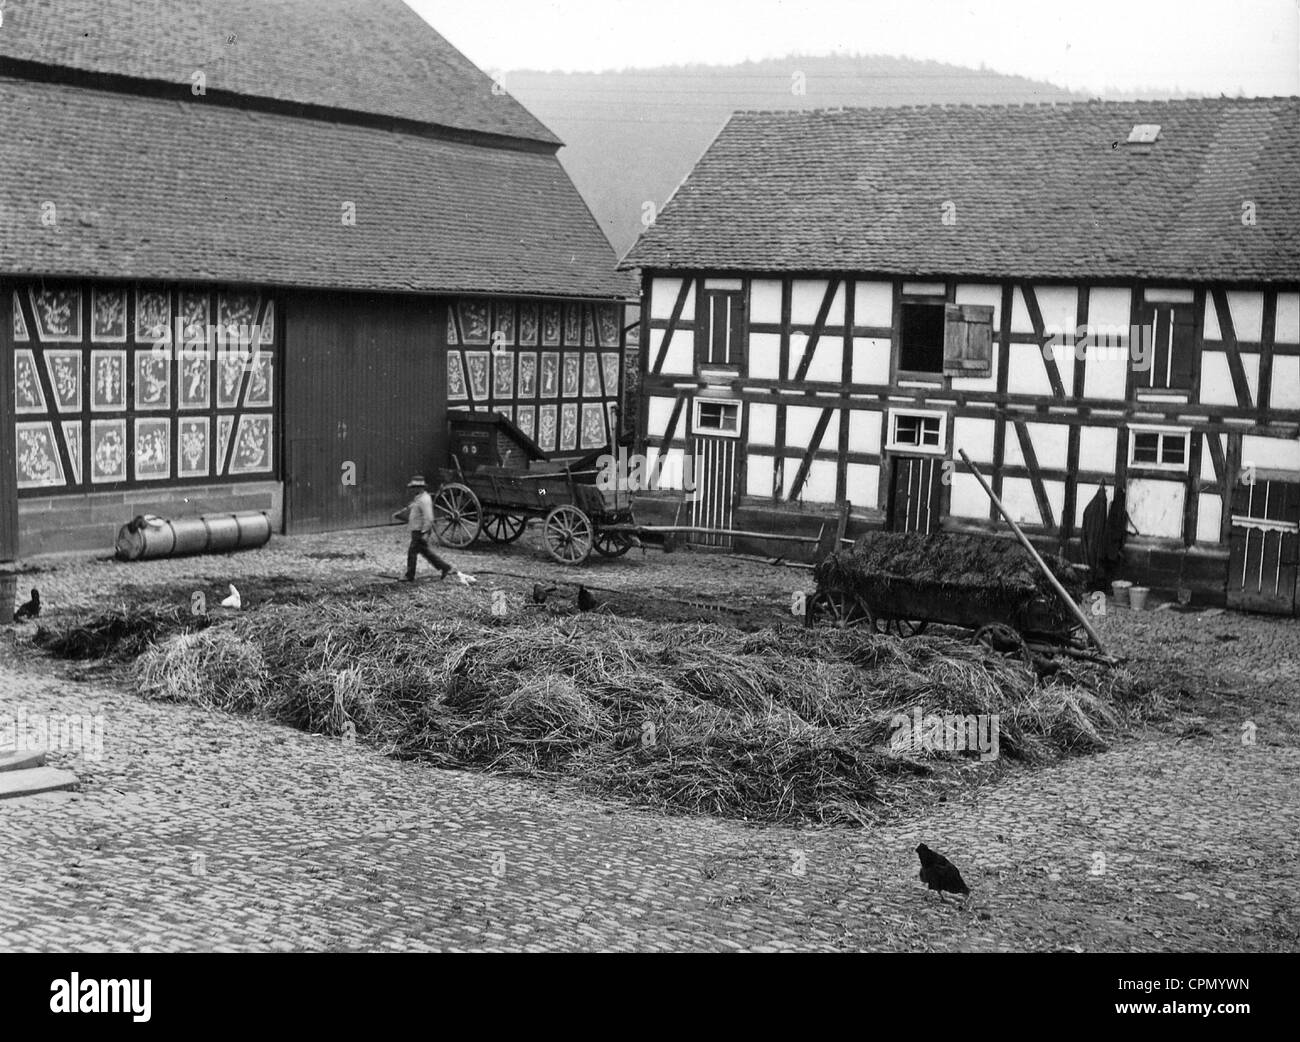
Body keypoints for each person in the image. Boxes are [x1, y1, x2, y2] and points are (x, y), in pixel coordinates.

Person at [393, 475, 453, 581]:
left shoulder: (424, 499)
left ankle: (409, 575)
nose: (412, 489)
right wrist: (400, 514)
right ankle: (444, 567)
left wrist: (425, 532)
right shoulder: (419, 498)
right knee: (425, 552)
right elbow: (412, 508)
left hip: (419, 531)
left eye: (414, 487)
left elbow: (429, 517)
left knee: (412, 552)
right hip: (416, 529)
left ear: (419, 487)